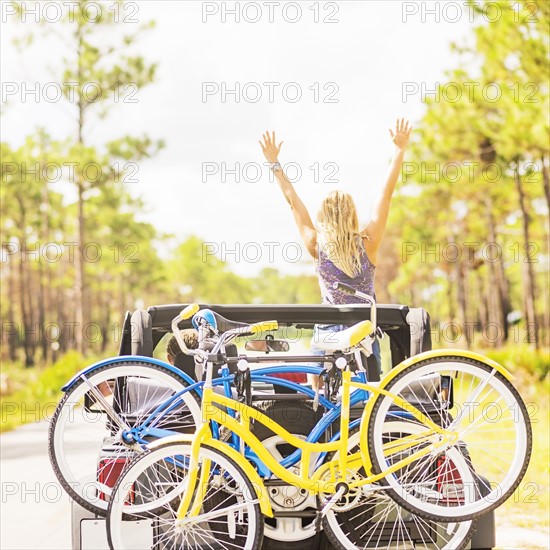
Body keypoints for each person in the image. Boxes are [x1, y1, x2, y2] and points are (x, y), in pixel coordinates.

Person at [259, 119, 412, 389]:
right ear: (353, 213)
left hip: (327, 337)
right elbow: (385, 195)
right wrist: (399, 151)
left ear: (323, 216)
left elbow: (292, 200)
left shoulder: (315, 244)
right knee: (367, 397)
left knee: (318, 397)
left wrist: (274, 163)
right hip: (362, 337)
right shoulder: (368, 242)